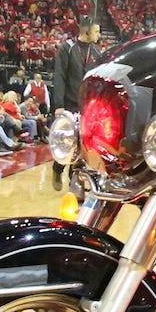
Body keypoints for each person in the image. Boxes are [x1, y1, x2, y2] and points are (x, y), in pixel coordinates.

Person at [50, 20, 98, 190]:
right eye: (96, 32)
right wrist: (58, 104)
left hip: (87, 106)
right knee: (67, 140)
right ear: (86, 32)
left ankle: (74, 178)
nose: (98, 35)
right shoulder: (67, 48)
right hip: (69, 103)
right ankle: (57, 168)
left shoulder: (96, 51)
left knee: (83, 143)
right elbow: (60, 76)